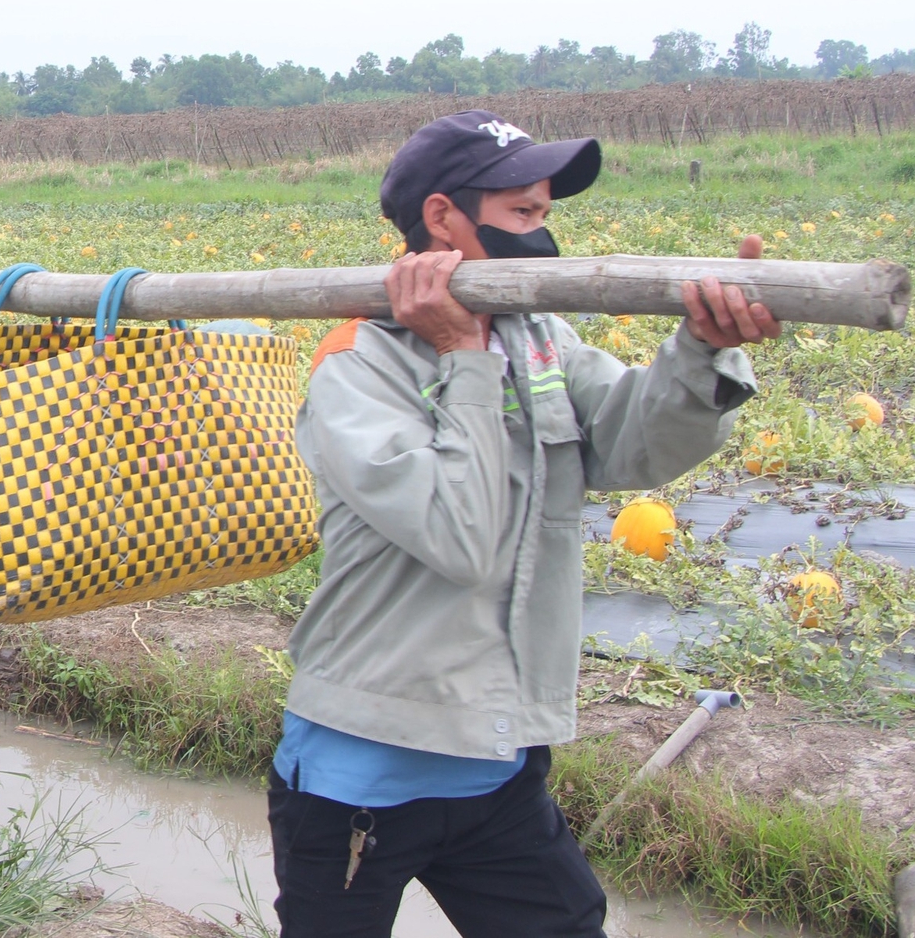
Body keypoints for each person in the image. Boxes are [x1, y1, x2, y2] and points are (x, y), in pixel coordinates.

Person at [270, 111, 781, 938]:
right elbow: (459, 538)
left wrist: (700, 351)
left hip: (495, 762)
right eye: (525, 216)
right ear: (443, 218)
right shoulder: (357, 365)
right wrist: (465, 359)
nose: (544, 239)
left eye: (546, 216)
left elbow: (630, 442)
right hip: (362, 771)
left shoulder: (541, 337)